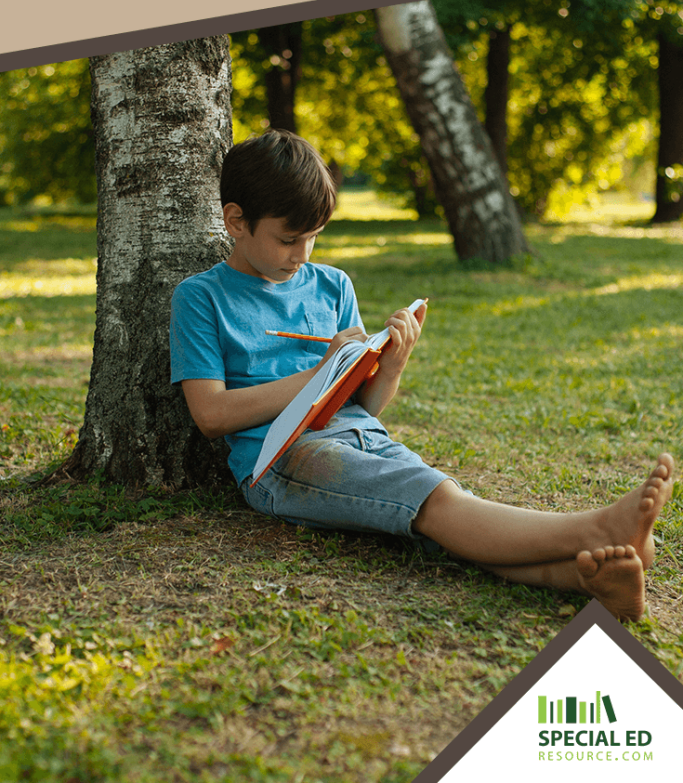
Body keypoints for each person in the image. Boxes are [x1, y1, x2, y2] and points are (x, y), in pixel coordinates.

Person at [170, 130, 674, 622]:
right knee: (431, 498)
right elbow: (211, 415)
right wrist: (317, 373)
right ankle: (593, 530)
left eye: (314, 237)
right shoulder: (201, 297)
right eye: (289, 239)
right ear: (236, 221)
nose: (303, 254)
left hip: (361, 434)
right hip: (279, 459)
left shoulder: (332, 285)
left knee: (435, 507)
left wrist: (389, 365)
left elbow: (361, 406)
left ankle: (587, 582)